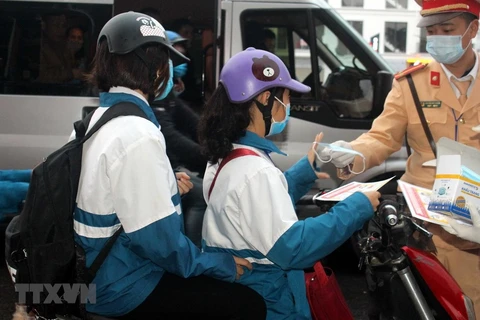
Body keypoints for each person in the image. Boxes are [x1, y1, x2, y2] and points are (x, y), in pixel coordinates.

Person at [76, 12, 266, 319]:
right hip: (120, 286)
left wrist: (165, 185)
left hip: (90, 274)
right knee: (248, 305)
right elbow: (161, 246)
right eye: (166, 62)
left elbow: (108, 196)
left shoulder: (93, 122)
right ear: (153, 69)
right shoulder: (138, 134)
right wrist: (223, 265)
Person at [318, 0, 480, 316]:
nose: (438, 37)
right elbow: (381, 138)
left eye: (447, 29)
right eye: (432, 31)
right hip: (422, 230)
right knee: (418, 308)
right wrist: (352, 154)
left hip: (475, 230)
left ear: (473, 28)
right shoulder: (411, 85)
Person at [198, 47, 381, 320]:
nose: (288, 105)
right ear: (264, 99)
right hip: (270, 302)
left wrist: (305, 169)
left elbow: (255, 210)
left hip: (241, 291)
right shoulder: (255, 170)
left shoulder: (226, 154)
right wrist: (357, 207)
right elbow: (294, 249)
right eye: (286, 97)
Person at [150, 30, 209, 247]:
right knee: (201, 195)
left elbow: (193, 122)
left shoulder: (169, 93)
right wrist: (206, 155)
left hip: (171, 164)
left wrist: (221, 137)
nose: (180, 61)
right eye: (175, 56)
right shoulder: (155, 94)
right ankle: (192, 250)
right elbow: (171, 137)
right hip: (163, 168)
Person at [37, 13, 82, 83]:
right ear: (44, 26)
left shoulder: (63, 46)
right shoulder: (39, 47)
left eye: (63, 26)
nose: (60, 30)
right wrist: (70, 73)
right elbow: (40, 76)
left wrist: (73, 53)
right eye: (56, 25)